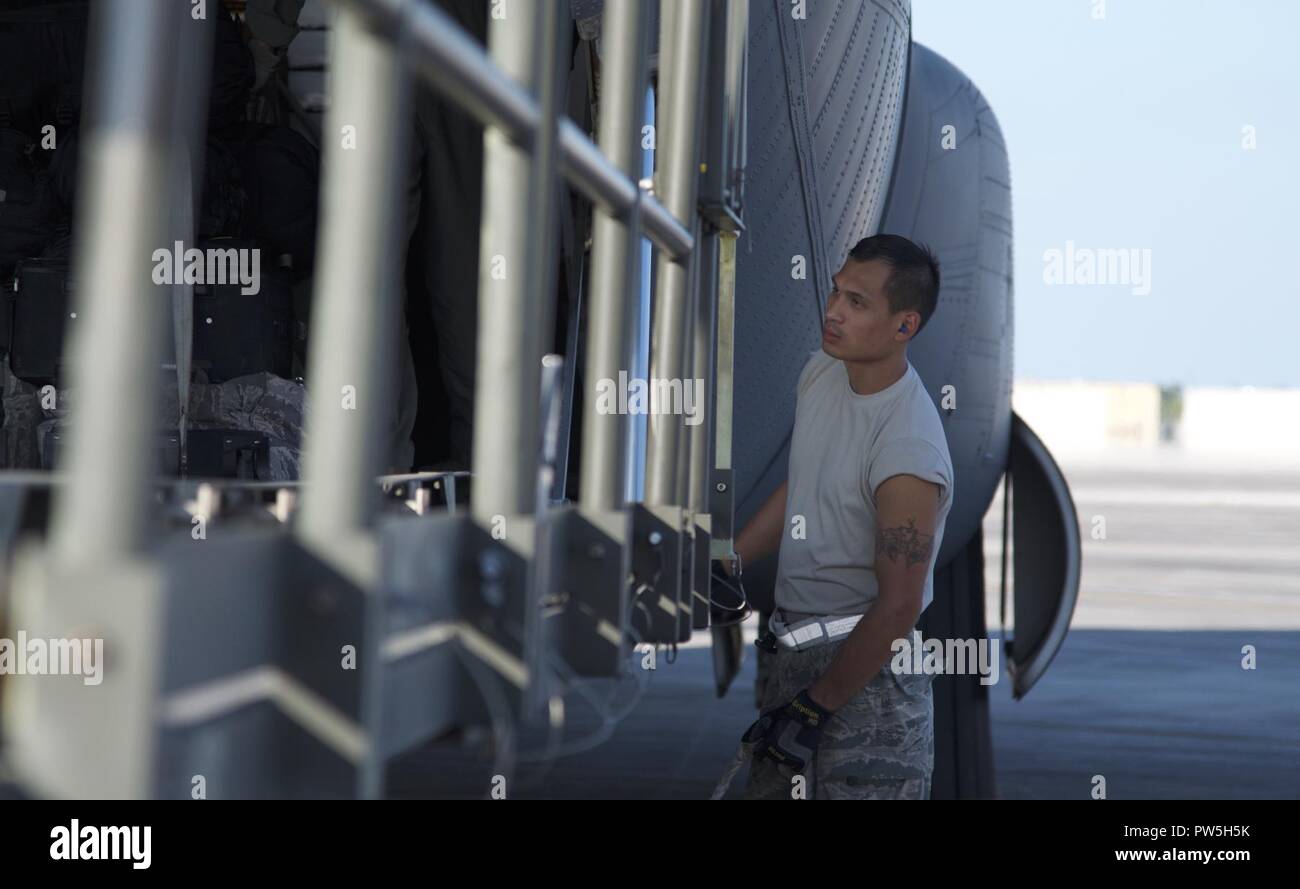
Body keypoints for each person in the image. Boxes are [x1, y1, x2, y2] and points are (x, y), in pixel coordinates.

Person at [727, 234, 953, 800]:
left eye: (857, 302)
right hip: (793, 657)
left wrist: (816, 705)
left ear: (904, 326)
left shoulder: (908, 448)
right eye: (835, 292)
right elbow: (805, 483)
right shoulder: (821, 374)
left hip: (866, 685)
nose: (833, 311)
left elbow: (898, 605)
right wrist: (729, 562)